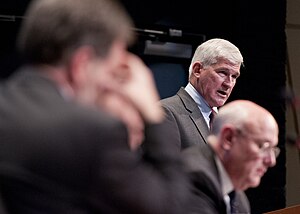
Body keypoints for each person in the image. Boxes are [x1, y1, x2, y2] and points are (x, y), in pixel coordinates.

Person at [0, 0, 191, 213]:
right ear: (81, 64)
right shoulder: (92, 132)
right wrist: (152, 112)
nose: (107, 84)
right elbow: (171, 206)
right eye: (109, 71)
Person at [182, 100, 280, 214]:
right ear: (228, 138)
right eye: (263, 146)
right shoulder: (193, 179)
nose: (271, 161)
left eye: (273, 150)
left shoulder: (239, 199)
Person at [160, 38, 243, 151]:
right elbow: (167, 167)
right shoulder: (166, 112)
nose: (229, 84)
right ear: (197, 70)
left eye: (234, 77)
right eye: (223, 73)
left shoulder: (224, 121)